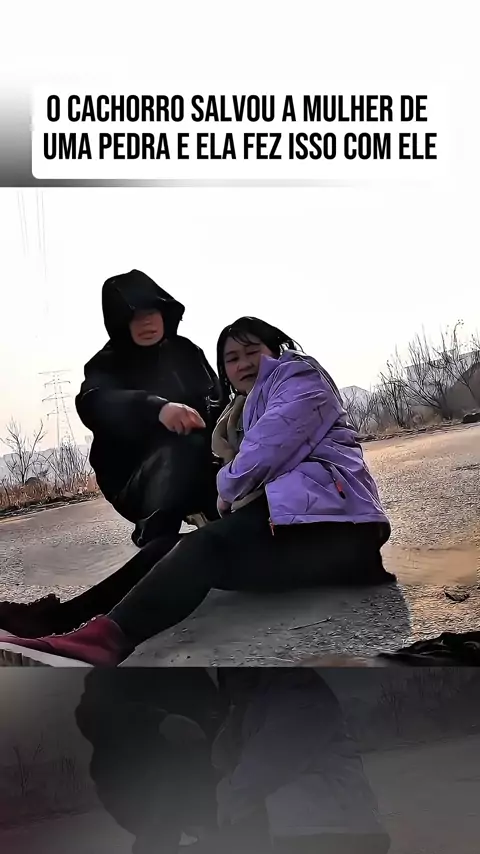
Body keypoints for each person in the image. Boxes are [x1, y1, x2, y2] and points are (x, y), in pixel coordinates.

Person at [0, 316, 396, 667]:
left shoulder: (300, 378)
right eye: (232, 358)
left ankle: (103, 644)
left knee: (205, 546)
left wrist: (224, 490)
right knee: (165, 549)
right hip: (296, 537)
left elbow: (262, 455)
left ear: (276, 349)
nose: (242, 364)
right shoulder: (243, 409)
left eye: (252, 352)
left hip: (340, 532)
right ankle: (57, 621)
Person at [0, 269, 222, 636]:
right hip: (136, 477)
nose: (145, 322)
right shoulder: (106, 363)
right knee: (179, 446)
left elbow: (218, 402)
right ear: (120, 323)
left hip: (203, 466)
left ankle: (209, 525)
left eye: (151, 312)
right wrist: (156, 408)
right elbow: (94, 402)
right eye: (133, 316)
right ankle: (156, 540)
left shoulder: (187, 352)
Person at [193, 669, 391, 854]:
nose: (234, 675)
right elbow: (225, 763)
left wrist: (232, 803)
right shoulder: (248, 710)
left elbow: (271, 759)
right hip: (299, 833)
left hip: (337, 830)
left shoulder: (296, 687)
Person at [75, 668, 225, 853]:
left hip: (193, 766)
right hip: (135, 773)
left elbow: (212, 705)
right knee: (159, 829)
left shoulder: (186, 668)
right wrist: (157, 722)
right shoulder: (113, 669)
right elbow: (91, 715)